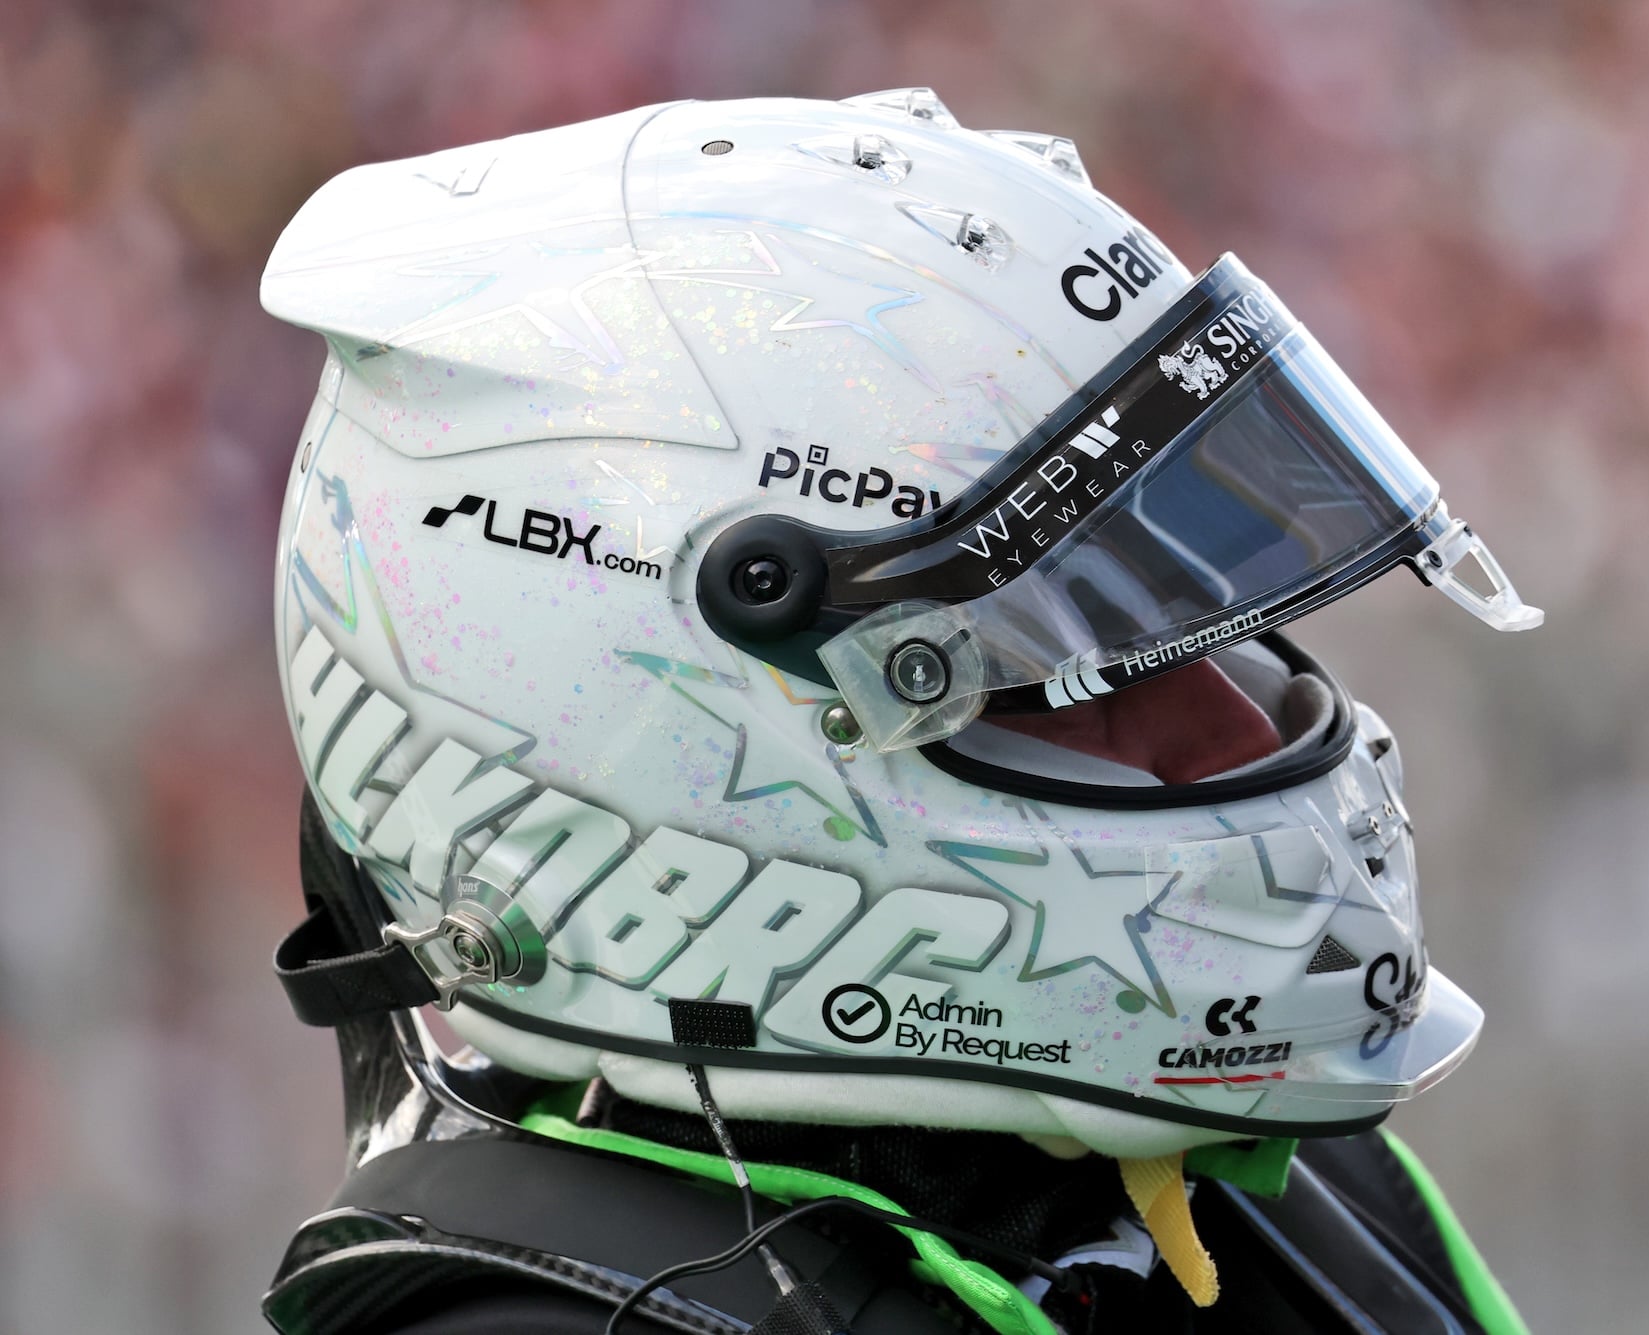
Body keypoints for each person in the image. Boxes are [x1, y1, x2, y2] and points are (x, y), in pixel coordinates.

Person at [260, 89, 1536, 1334]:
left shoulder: (1269, 1194)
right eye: (1043, 676)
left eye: (1177, 626)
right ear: (679, 741)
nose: (1239, 729)